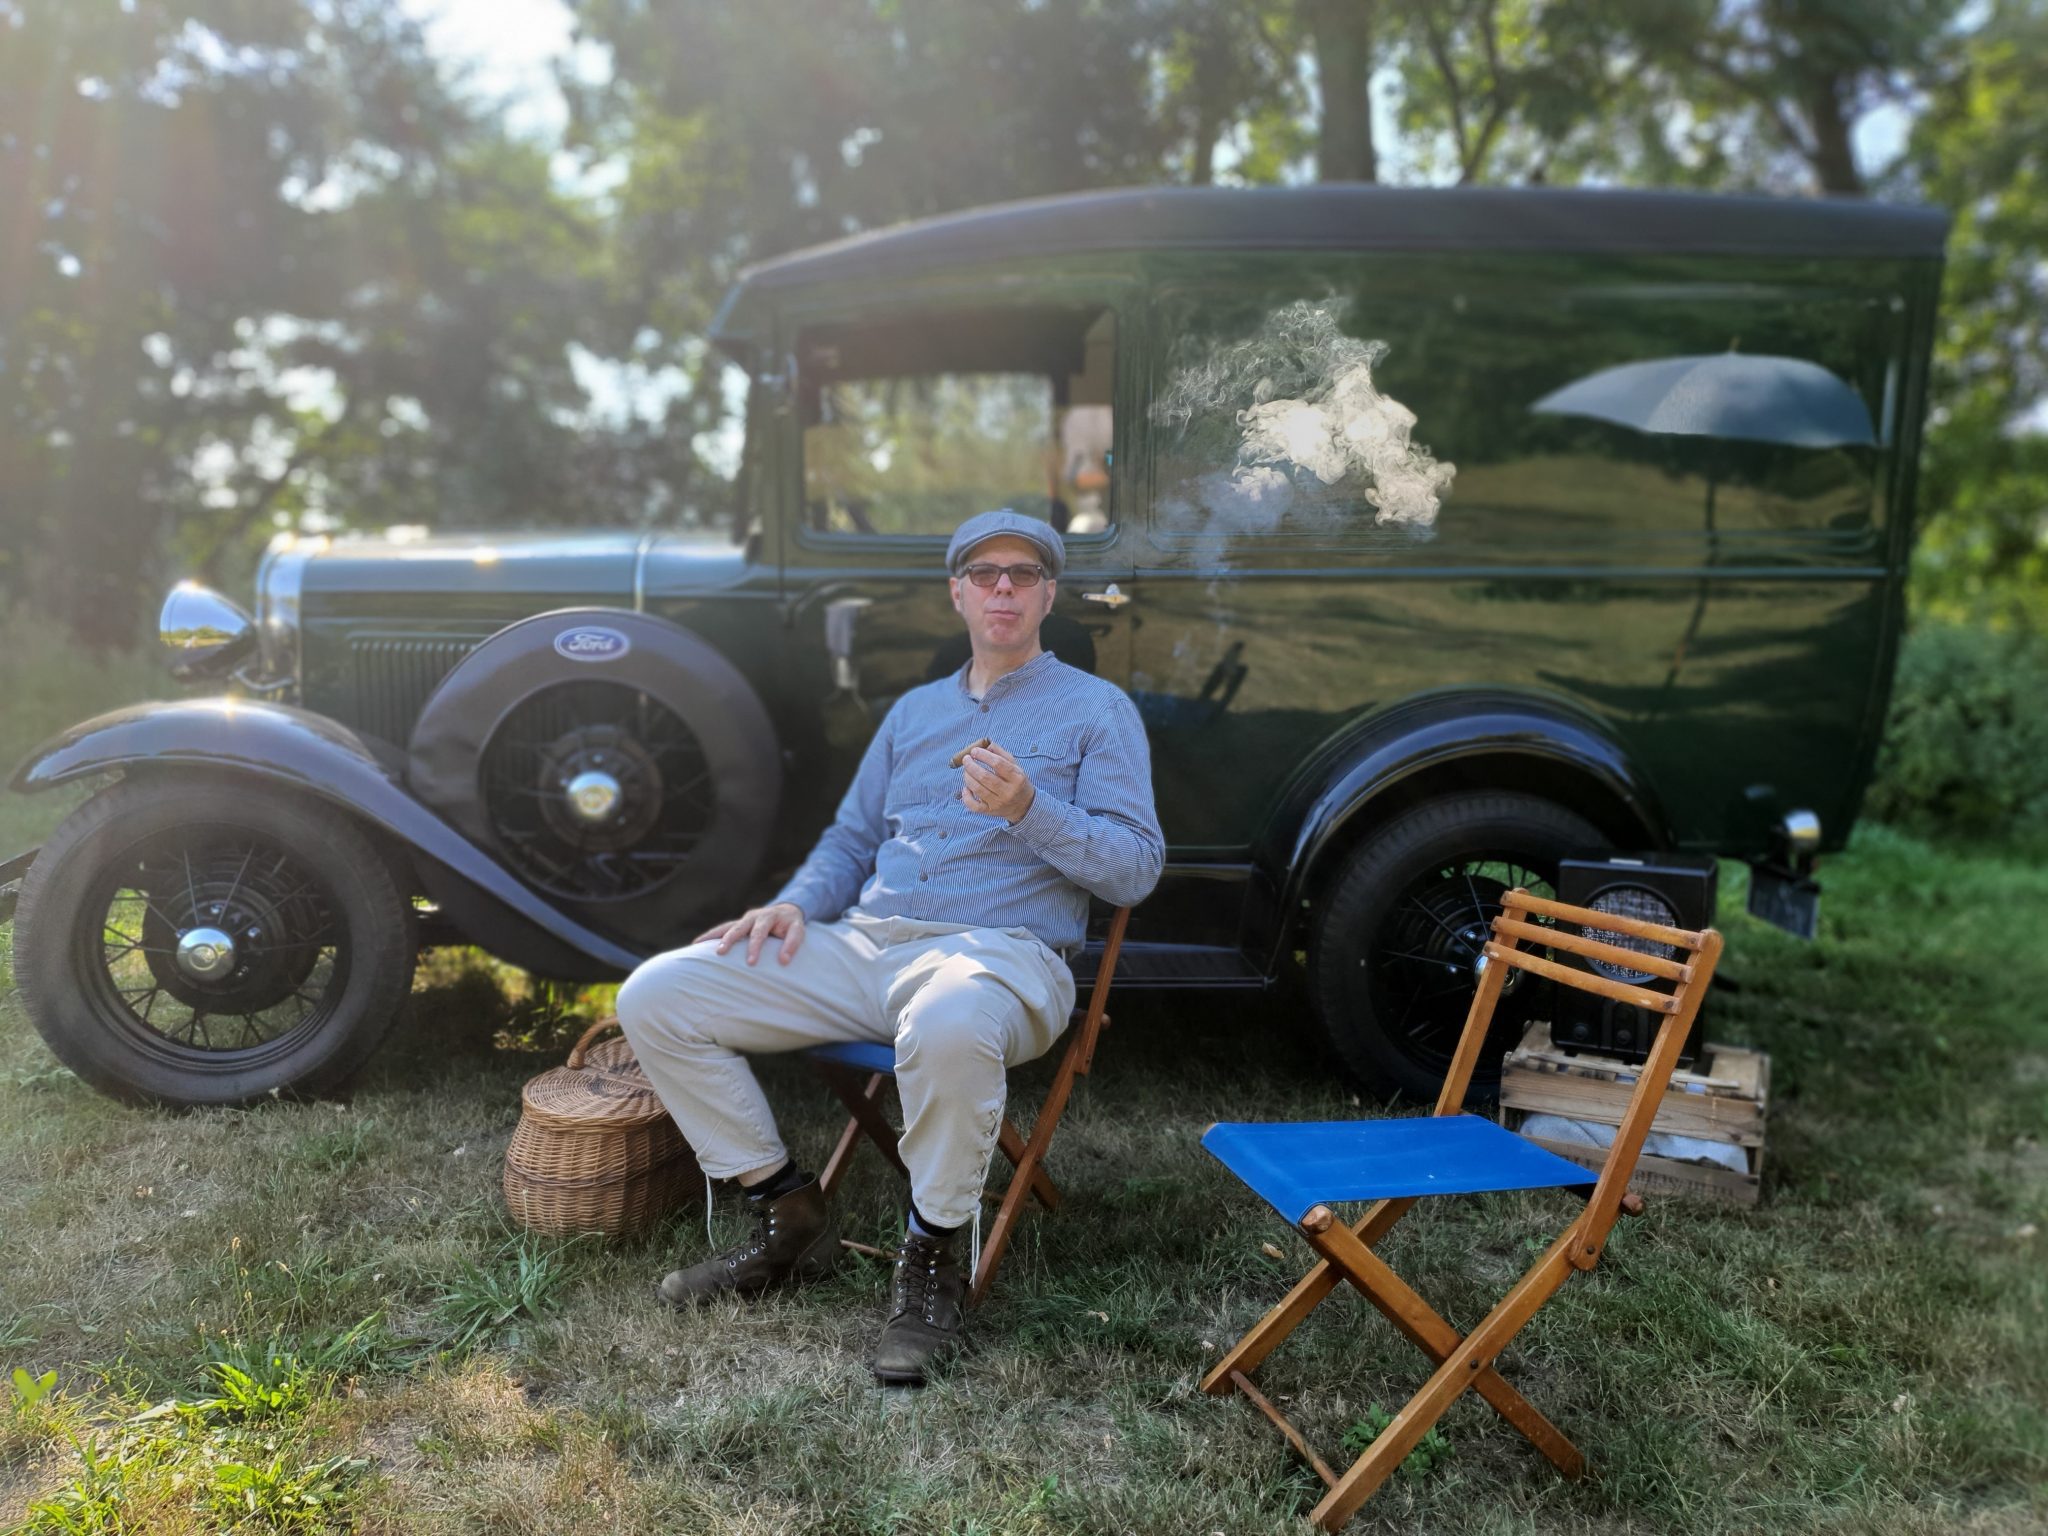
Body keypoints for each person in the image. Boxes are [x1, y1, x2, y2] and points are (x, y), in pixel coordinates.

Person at [614, 509, 1164, 1385]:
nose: (1004, 588)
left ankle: (931, 1260)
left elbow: (1135, 870)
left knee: (949, 1018)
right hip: (870, 944)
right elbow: (849, 837)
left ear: (1050, 595)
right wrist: (794, 907)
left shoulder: (1098, 711)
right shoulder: (915, 712)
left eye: (1023, 574)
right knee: (657, 993)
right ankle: (785, 1215)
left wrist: (1031, 807)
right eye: (984, 573)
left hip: (1002, 956)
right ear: (957, 593)